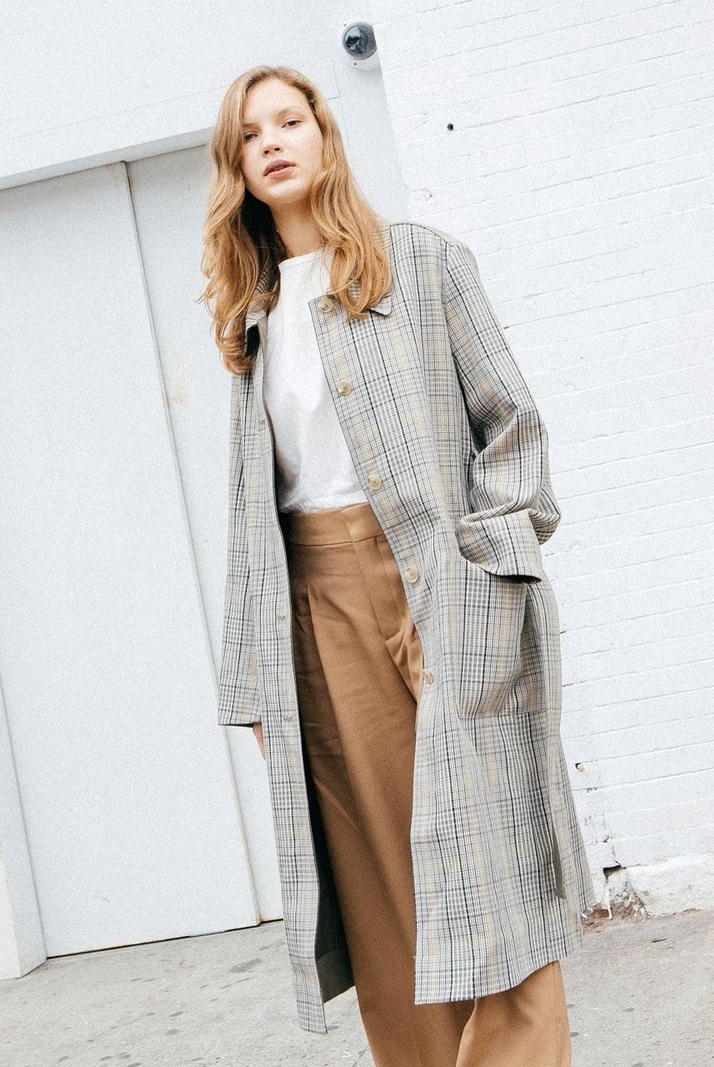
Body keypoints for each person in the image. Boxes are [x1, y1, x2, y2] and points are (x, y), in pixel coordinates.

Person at [202, 64, 596, 1067]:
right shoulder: (250, 312)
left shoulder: (421, 263)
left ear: (325, 134)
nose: (273, 142)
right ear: (235, 166)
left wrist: (486, 565)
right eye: (251, 134)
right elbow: (250, 509)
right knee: (382, 875)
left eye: (290, 121)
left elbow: (512, 424)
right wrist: (254, 681)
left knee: (495, 856)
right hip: (318, 607)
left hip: (440, 580)